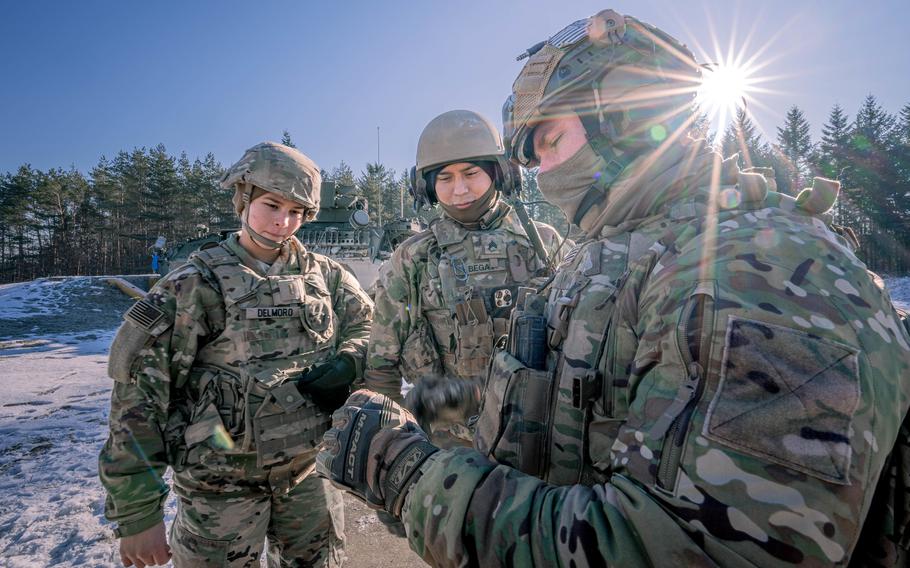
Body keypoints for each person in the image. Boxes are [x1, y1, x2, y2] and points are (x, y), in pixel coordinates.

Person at [316, 9, 910, 567]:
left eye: (550, 142)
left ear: (625, 116)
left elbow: (679, 543)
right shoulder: (617, 254)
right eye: (533, 155)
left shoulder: (759, 272)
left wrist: (412, 478)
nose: (544, 174)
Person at [99, 142, 373, 567]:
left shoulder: (327, 276)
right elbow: (138, 401)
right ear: (242, 197)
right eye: (271, 204)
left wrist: (352, 358)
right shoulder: (192, 286)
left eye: (297, 211)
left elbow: (370, 326)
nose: (283, 222)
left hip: (307, 475)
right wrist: (137, 514)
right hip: (219, 489)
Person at [365, 109, 564, 447]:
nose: (460, 189)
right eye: (445, 178)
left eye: (471, 173)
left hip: (536, 437)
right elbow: (381, 365)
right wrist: (391, 443)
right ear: (426, 186)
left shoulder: (542, 243)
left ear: (499, 173)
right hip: (450, 448)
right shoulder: (414, 257)